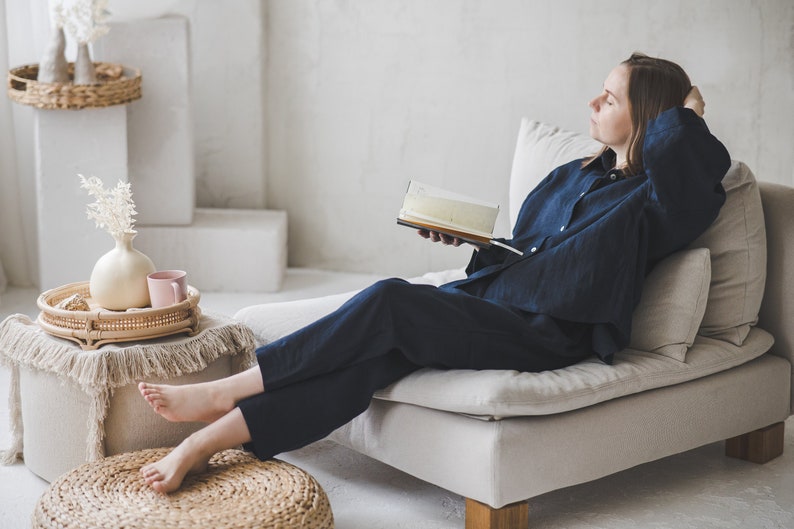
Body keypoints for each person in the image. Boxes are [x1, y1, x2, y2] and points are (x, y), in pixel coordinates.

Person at [138, 52, 730, 494]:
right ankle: (203, 442)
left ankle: (223, 391)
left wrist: (684, 112)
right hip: (495, 301)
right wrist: (471, 242)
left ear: (650, 118)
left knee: (391, 300)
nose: (592, 104)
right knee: (373, 358)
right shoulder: (573, 173)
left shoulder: (660, 199)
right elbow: (525, 254)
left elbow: (694, 166)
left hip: (548, 333)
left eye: (610, 97)